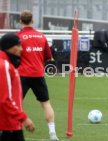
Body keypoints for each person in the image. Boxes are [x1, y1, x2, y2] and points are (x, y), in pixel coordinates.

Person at [16, 10, 59, 141]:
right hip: (38, 74)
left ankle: (13, 131)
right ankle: (53, 134)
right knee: (46, 103)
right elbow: (47, 56)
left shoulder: (17, 37)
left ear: (20, 21)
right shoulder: (41, 36)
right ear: (33, 21)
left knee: (16, 104)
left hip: (22, 75)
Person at [0, 33, 35, 141]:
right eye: (18, 45)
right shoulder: (4, 66)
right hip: (7, 123)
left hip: (12, 123)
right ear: (9, 47)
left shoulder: (8, 64)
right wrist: (23, 118)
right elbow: (5, 99)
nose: (21, 49)